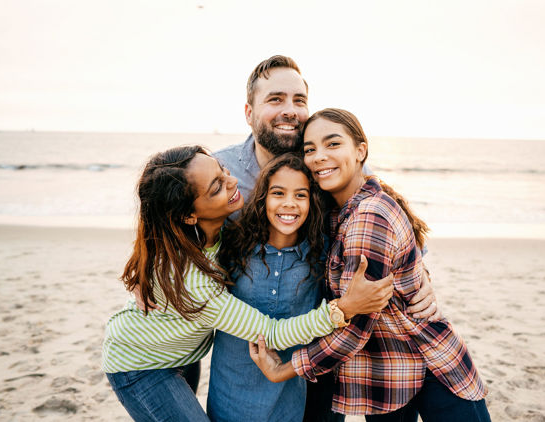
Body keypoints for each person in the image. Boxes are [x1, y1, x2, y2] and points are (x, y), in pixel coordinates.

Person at [211, 55, 442, 421]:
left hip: (324, 344)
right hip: (242, 347)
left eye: (299, 100)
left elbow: (396, 235)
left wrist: (422, 280)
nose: (290, 110)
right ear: (248, 111)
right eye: (275, 99)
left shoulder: (330, 167)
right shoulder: (222, 171)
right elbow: (175, 222)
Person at [102, 145, 394, 421]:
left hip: (181, 352)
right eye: (216, 187)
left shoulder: (216, 230)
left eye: (223, 171)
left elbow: (155, 235)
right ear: (188, 215)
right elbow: (270, 334)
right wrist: (342, 309)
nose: (231, 183)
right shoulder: (194, 282)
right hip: (140, 365)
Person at [250, 109, 491, 422]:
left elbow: (355, 326)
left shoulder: (369, 217)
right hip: (384, 376)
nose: (319, 156)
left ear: (360, 151)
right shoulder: (336, 212)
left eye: (333, 144)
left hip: (430, 364)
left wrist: (284, 369)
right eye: (310, 149)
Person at [208, 153, 331, 421]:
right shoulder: (233, 245)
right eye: (278, 193)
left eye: (301, 195)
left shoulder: (321, 256)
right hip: (229, 392)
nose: (289, 204)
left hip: (286, 399)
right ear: (263, 198)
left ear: (312, 202)